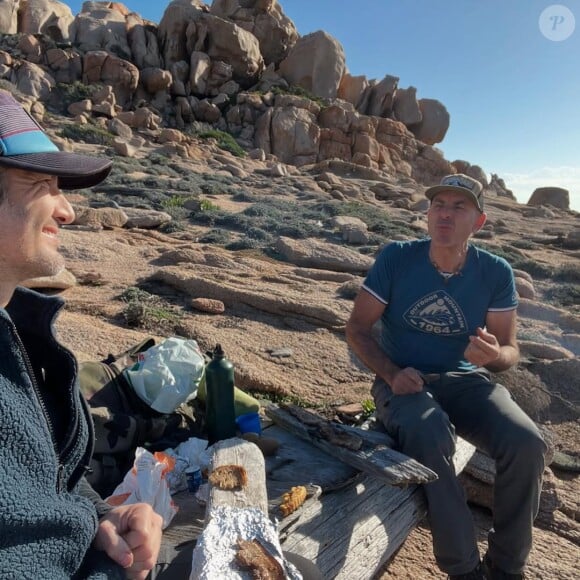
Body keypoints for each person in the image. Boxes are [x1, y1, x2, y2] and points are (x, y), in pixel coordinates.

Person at [346, 173, 547, 580]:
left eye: (459, 207)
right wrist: (391, 373)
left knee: (527, 442)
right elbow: (357, 330)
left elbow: (510, 351)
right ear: (427, 212)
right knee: (430, 432)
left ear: (479, 221)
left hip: (466, 381)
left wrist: (493, 356)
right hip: (403, 381)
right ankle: (464, 570)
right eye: (439, 204)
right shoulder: (397, 258)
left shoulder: (495, 272)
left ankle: (507, 568)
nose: (445, 214)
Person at [0, 90, 163, 578]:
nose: (67, 211)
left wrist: (102, 516)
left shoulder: (15, 329)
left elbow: (38, 478)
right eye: (43, 184)